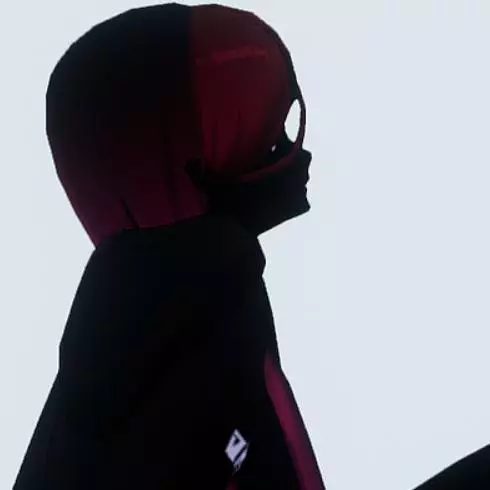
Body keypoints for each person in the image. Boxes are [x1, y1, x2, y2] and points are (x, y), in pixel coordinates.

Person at [14, 4, 325, 489]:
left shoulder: (159, 306)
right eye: (263, 133)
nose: (297, 154)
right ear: (193, 163)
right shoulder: (197, 317)